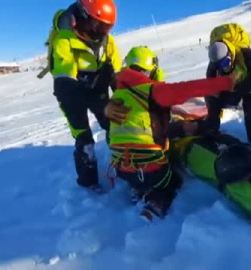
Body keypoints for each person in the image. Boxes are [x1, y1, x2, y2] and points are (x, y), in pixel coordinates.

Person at [104, 46, 239, 220]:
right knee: (172, 181)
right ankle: (155, 204)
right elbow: (188, 89)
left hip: (122, 169)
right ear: (150, 71)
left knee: (139, 172)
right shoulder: (152, 91)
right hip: (151, 170)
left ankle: (137, 189)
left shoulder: (117, 97)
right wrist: (226, 82)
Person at [49, 0, 121, 191]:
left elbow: (117, 74)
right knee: (84, 139)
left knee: (114, 125)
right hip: (70, 94)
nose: (103, 31)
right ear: (85, 16)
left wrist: (125, 94)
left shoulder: (107, 41)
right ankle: (89, 185)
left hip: (97, 90)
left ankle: (122, 165)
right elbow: (64, 84)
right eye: (100, 24)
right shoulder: (64, 41)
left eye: (108, 26)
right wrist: (102, 104)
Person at [205, 39, 251, 144]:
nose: (223, 67)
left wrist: (238, 92)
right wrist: (217, 93)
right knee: (211, 97)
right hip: (228, 84)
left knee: (250, 106)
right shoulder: (215, 61)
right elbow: (210, 80)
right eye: (219, 65)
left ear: (229, 54)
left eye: (225, 62)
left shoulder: (246, 54)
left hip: (246, 83)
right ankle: (211, 132)